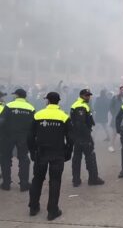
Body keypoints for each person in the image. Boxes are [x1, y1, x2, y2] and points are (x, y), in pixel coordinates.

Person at [27, 92, 73, 221]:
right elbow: (70, 138)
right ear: (58, 102)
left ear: (47, 101)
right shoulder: (64, 117)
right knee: (55, 181)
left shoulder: (38, 115)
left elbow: (30, 136)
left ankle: (33, 207)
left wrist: (32, 151)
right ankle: (52, 211)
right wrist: (68, 152)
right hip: (57, 153)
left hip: (41, 153)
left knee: (37, 179)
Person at [0, 88, 34, 191]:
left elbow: (1, 121)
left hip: (8, 136)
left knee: (5, 158)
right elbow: (33, 125)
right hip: (23, 137)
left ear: (17, 95)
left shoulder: (9, 106)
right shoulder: (30, 108)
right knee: (24, 159)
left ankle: (6, 184)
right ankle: (24, 184)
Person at [71, 89, 104, 187]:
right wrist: (88, 137)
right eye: (86, 95)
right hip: (83, 137)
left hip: (77, 136)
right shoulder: (80, 106)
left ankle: (76, 180)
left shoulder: (79, 104)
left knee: (77, 158)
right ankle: (93, 179)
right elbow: (80, 124)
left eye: (89, 95)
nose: (88, 97)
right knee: (90, 157)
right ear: (81, 95)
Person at [109, 86, 123, 152]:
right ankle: (111, 146)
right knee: (114, 132)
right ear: (120, 90)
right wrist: (114, 114)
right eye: (122, 90)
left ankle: (121, 146)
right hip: (116, 118)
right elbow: (111, 107)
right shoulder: (115, 98)